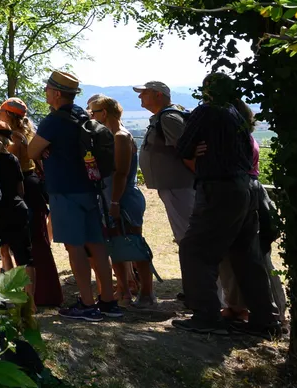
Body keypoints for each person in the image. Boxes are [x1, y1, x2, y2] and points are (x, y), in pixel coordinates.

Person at [170, 72, 278, 336]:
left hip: (218, 188)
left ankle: (206, 317)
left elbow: (183, 148)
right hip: (247, 187)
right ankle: (265, 321)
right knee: (246, 255)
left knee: (195, 250)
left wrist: (193, 149)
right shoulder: (237, 114)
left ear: (207, 91)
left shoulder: (206, 111)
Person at [27, 69, 122, 320]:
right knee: (96, 244)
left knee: (75, 247)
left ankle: (87, 304)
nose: (46, 93)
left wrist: (45, 151)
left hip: (65, 190)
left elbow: (31, 151)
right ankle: (108, 301)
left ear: (57, 93)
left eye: (47, 89)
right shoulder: (82, 114)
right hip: (90, 189)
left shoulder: (54, 120)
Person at [90, 95, 156, 308]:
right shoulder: (108, 136)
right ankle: (124, 291)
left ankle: (147, 292)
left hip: (123, 198)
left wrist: (115, 203)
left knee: (134, 244)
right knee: (115, 245)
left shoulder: (120, 136)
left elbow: (121, 173)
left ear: (105, 113)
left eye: (94, 112)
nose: (91, 116)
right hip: (111, 197)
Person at [0, 97, 63, 308]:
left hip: (23, 189)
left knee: (32, 243)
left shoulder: (14, 141)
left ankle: (42, 294)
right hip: (31, 187)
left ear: (9, 115)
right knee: (33, 242)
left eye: (0, 113)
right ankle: (39, 292)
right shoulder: (26, 135)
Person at [134, 80, 195, 280]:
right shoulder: (163, 117)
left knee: (188, 238)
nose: (139, 97)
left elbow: (188, 153)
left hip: (180, 187)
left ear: (158, 95)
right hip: (174, 187)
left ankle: (200, 290)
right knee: (184, 237)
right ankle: (195, 287)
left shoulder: (169, 118)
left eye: (144, 93)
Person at [0, 115, 31, 275]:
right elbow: (20, 189)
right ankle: (28, 296)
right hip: (17, 209)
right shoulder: (13, 159)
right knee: (23, 257)